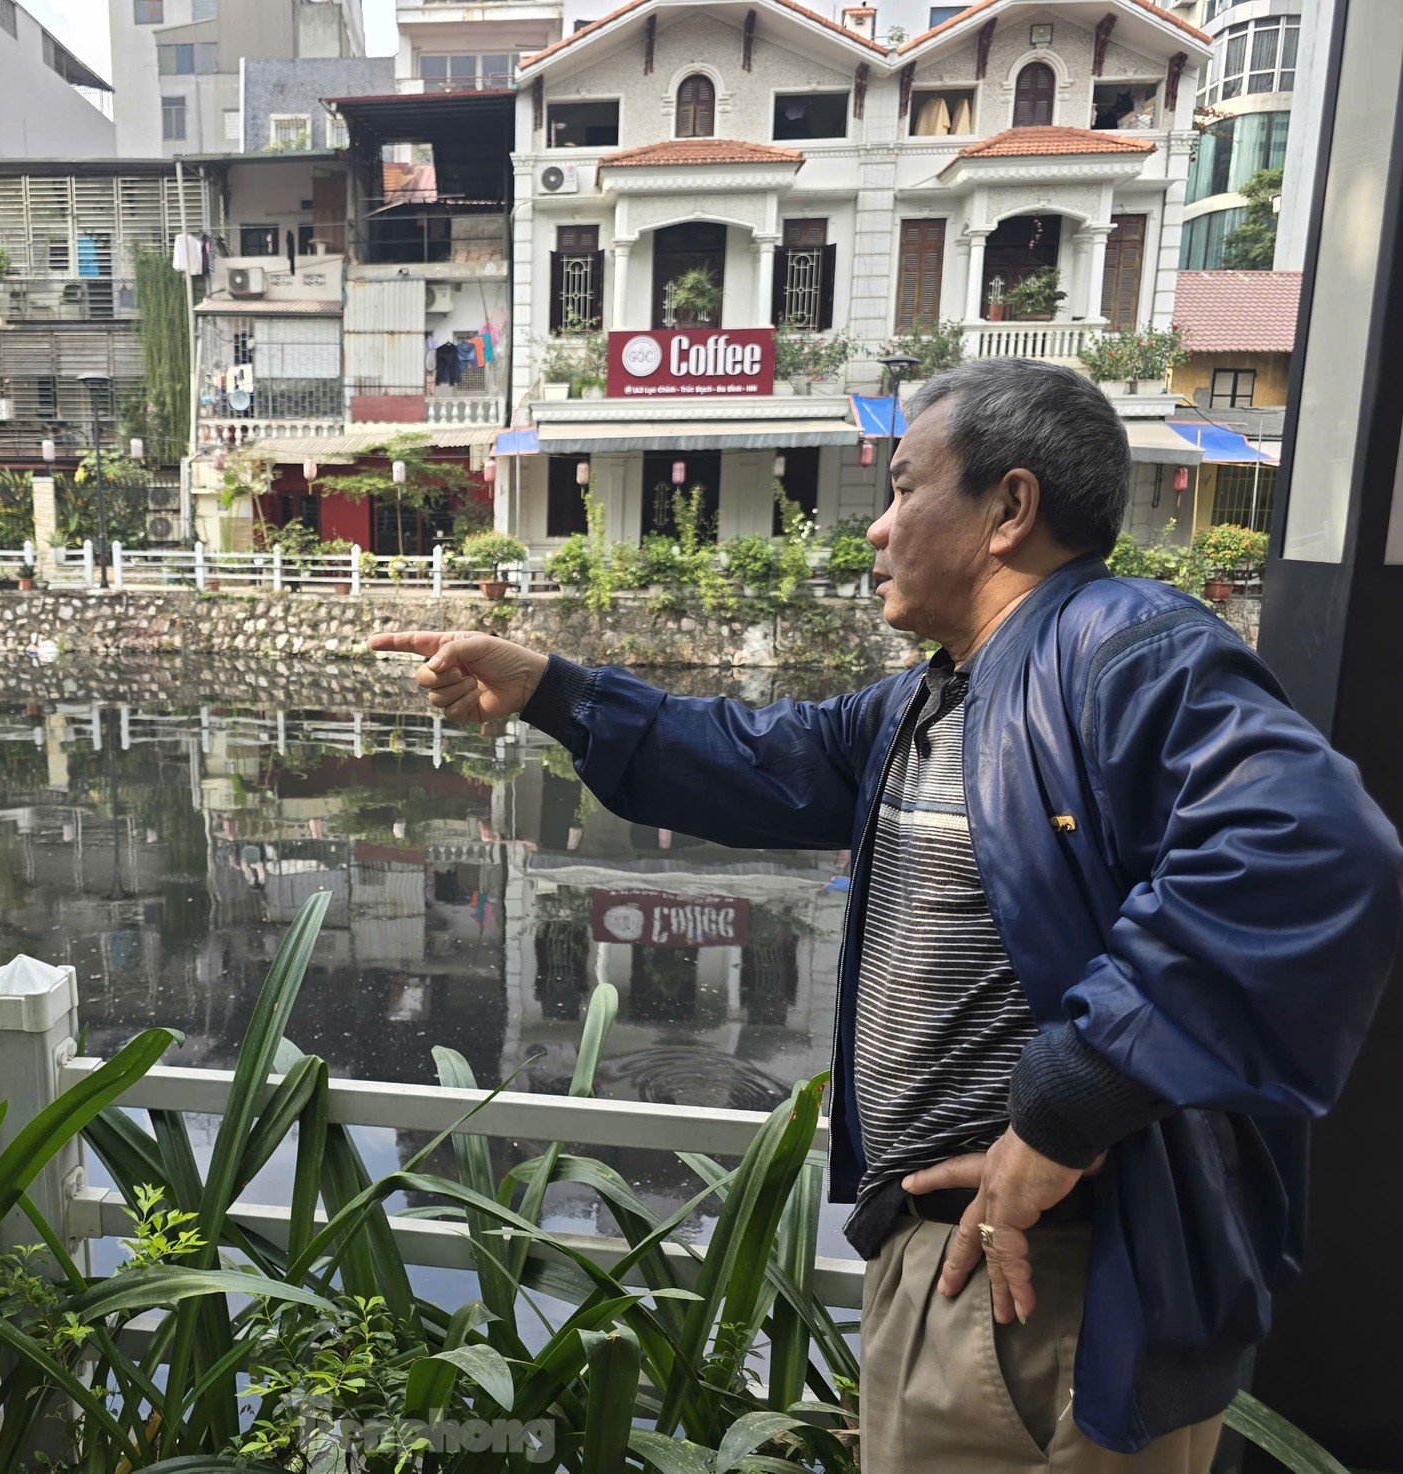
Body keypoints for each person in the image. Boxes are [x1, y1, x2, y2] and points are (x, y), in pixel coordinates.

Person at [369, 359, 1401, 1474]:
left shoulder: (1122, 648)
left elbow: (1308, 846)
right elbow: (761, 762)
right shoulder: (944, 690)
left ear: (1008, 509)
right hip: (972, 1269)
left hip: (1042, 1283)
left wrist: (1064, 1111)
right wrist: (552, 691)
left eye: (905, 487)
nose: (876, 527)